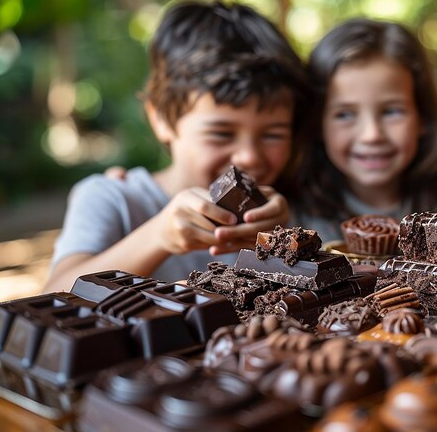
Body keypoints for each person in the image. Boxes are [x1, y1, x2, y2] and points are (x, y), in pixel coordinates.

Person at [45, 2, 310, 291]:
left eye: (273, 134)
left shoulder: (291, 206)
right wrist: (158, 237)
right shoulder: (113, 199)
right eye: (221, 133)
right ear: (161, 119)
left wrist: (282, 240)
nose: (248, 156)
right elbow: (52, 295)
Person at [291, 18, 437, 243]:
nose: (372, 135)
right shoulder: (296, 215)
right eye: (344, 114)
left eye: (391, 111)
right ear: (317, 124)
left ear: (423, 117)